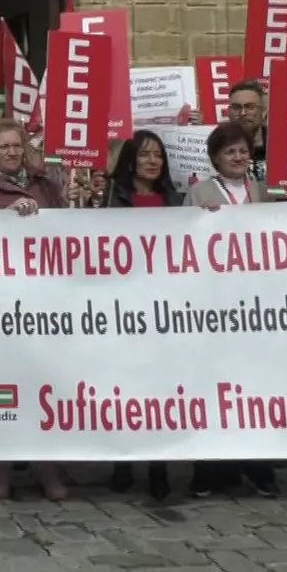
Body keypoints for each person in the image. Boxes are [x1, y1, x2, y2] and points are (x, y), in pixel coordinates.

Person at [0, 117, 70, 500]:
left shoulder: (45, 185)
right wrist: (9, 221)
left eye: (16, 146)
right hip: (3, 305)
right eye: (3, 147)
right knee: (8, 389)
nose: (11, 152)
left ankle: (47, 465)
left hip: (44, 302)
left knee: (44, 385)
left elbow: (67, 230)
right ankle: (2, 466)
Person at [181, 122, 281, 499]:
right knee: (214, 387)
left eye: (242, 151)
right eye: (230, 152)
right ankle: (210, 471)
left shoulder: (263, 191)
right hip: (215, 305)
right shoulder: (200, 193)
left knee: (256, 389)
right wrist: (199, 220)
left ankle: (257, 467)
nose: (238, 158)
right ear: (215, 159)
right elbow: (182, 240)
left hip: (257, 306)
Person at [101, 131, 180, 501]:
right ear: (131, 159)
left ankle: (158, 465)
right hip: (123, 307)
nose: (153, 162)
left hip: (163, 310)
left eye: (158, 156)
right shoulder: (111, 198)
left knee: (160, 390)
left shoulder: (174, 201)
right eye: (146, 155)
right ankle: (122, 461)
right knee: (125, 387)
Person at [226, 80, 268, 185]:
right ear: (228, 112)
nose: (243, 113)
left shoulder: (282, 146)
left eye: (250, 107)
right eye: (236, 107)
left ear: (263, 112)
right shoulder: (218, 145)